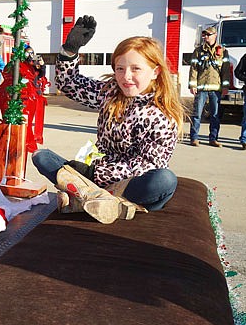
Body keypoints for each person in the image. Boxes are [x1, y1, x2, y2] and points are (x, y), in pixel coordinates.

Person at [31, 15, 184, 224]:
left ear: (155, 71)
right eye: (120, 68)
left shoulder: (161, 115)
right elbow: (70, 84)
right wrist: (69, 51)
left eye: (135, 69)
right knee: (42, 156)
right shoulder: (111, 92)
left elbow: (147, 164)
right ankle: (99, 201)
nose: (126, 76)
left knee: (164, 180)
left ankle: (88, 199)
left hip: (129, 183)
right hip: (95, 178)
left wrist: (97, 173)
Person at [188, 26, 230, 147]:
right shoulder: (198, 51)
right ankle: (194, 138)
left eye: (208, 35)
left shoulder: (222, 51)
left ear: (215, 35)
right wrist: (192, 85)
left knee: (215, 115)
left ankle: (213, 138)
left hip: (216, 89)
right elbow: (194, 69)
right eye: (204, 35)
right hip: (201, 87)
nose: (205, 37)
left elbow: (226, 71)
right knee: (197, 114)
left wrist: (225, 86)